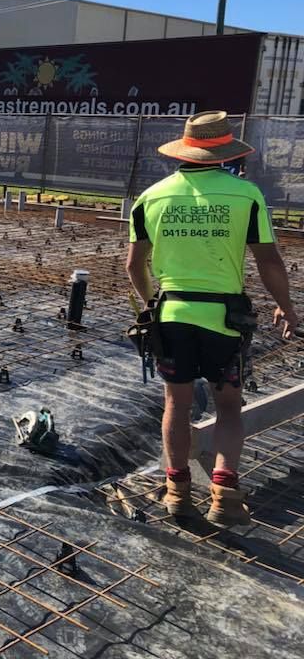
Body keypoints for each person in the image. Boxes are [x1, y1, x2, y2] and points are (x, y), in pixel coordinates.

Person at [125, 110, 299, 526]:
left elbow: (134, 266)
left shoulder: (152, 196)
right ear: (225, 152)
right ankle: (223, 493)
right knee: (228, 406)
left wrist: (153, 305)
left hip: (172, 316)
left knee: (176, 404)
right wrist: (286, 307)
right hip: (225, 318)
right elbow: (269, 261)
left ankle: (177, 492)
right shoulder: (246, 194)